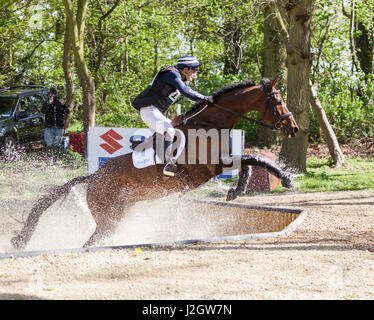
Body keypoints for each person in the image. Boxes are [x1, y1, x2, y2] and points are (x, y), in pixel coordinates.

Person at [132, 55, 213, 176]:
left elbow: (188, 95)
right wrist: (205, 98)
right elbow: (186, 92)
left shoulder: (177, 77)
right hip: (148, 110)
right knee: (169, 131)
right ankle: (166, 164)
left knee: (180, 131)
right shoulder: (172, 74)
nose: (195, 74)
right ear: (185, 69)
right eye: (194, 70)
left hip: (155, 111)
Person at [41, 87, 70, 165]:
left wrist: (64, 105)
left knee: (57, 144)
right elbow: (43, 111)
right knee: (49, 144)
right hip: (49, 127)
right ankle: (47, 162)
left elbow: (67, 111)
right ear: (49, 94)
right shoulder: (47, 102)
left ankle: (55, 162)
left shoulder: (60, 102)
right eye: (52, 94)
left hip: (59, 127)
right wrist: (48, 104)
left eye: (55, 94)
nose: (53, 96)